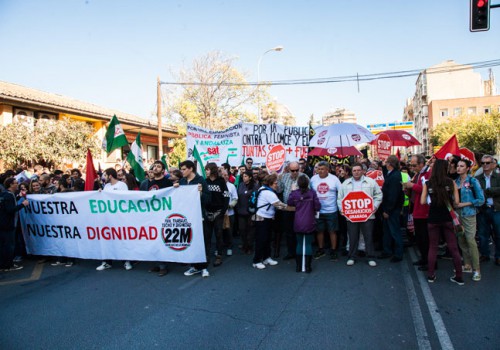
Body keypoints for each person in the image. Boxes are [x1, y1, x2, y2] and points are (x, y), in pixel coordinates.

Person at [421, 159, 464, 285]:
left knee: (433, 247)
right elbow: (456, 202)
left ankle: (431, 275)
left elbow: (423, 202)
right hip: (447, 218)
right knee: (453, 247)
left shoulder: (428, 183)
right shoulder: (451, 182)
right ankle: (459, 276)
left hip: (433, 218)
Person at [338, 163, 382, 267]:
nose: (356, 172)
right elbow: (340, 198)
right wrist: (342, 209)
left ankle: (370, 257)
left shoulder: (371, 182)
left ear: (363, 171)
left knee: (368, 237)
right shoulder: (345, 183)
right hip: (351, 216)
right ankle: (352, 256)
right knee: (352, 237)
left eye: (358, 170)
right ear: (351, 172)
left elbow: (378, 195)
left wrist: (374, 206)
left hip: (368, 215)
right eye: (354, 170)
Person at [176, 160, 211, 278]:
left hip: (199, 216)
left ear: (191, 169)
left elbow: (208, 200)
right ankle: (194, 266)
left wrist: (200, 193)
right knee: (190, 241)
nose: (182, 171)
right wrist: (174, 189)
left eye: (184, 169)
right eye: (181, 169)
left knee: (202, 242)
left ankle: (204, 267)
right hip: (187, 217)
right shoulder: (181, 181)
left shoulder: (201, 181)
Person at [95, 168, 132, 271]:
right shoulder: (106, 186)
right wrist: (100, 193)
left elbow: (125, 199)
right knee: (107, 239)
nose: (103, 177)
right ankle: (107, 262)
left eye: (105, 175)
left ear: (110, 176)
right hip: (107, 218)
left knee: (121, 239)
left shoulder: (122, 185)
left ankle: (126, 261)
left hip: (119, 218)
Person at [455, 159, 484, 281]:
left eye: (462, 166)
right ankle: (467, 265)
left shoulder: (473, 181)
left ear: (467, 168)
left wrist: (464, 204)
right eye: (457, 166)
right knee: (461, 239)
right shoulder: (455, 182)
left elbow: (481, 200)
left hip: (469, 214)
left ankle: (477, 270)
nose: (458, 168)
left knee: (470, 240)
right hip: (457, 215)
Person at [252, 174, 289, 270]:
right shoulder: (269, 193)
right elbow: (280, 206)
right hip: (262, 218)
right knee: (261, 240)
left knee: (267, 239)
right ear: (270, 183)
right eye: (276, 183)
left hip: (266, 218)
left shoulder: (263, 189)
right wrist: (296, 208)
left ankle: (266, 258)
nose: (277, 185)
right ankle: (256, 261)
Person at [145, 161, 173, 276]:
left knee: (162, 240)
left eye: (158, 166)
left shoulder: (167, 182)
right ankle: (157, 263)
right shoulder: (150, 183)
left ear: (163, 170)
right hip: (153, 215)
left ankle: (163, 266)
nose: (155, 168)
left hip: (163, 215)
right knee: (154, 240)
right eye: (154, 166)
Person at [310, 161, 342, 261]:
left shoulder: (334, 179)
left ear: (328, 169)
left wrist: (340, 207)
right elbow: (310, 192)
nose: (320, 171)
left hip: (331, 210)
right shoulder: (313, 179)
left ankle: (333, 250)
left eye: (322, 169)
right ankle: (320, 249)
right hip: (318, 210)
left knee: (332, 231)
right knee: (319, 231)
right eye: (318, 169)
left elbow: (341, 192)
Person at [287, 175, 320, 273]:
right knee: (308, 244)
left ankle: (298, 267)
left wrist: (292, 191)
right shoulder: (312, 193)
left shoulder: (295, 194)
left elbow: (289, 203)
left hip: (298, 221)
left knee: (300, 243)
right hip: (309, 221)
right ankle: (308, 267)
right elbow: (318, 206)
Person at [405, 155, 432, 271]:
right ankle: (423, 258)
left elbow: (426, 190)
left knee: (425, 238)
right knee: (420, 238)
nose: (412, 167)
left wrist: (413, 186)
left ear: (421, 164)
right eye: (411, 165)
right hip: (416, 208)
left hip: (424, 210)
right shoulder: (418, 174)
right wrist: (408, 189)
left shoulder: (428, 174)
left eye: (414, 165)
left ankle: (428, 261)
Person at [475, 154, 500, 265]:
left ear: (493, 164)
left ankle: (498, 256)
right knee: (482, 234)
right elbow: (477, 193)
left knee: (498, 234)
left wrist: (488, 191)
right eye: (483, 163)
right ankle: (485, 254)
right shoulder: (477, 178)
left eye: (487, 163)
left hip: (496, 209)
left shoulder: (498, 177)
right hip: (483, 209)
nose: (485, 165)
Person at [379, 155, 405, 263]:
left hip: (392, 209)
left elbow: (393, 196)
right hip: (389, 208)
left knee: (395, 231)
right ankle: (387, 250)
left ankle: (398, 254)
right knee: (387, 231)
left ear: (390, 163)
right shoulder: (391, 174)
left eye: (386, 161)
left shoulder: (394, 176)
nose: (384, 162)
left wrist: (387, 210)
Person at [203, 162, 229, 267]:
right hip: (207, 213)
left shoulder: (221, 182)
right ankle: (206, 256)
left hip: (218, 213)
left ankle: (219, 256)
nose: (206, 171)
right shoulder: (205, 182)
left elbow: (226, 197)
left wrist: (222, 212)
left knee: (219, 235)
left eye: (207, 169)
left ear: (212, 170)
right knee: (207, 236)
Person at [0, 178, 29, 271]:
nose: (17, 185)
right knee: (9, 245)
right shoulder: (9, 195)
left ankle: (4, 264)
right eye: (16, 183)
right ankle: (8, 265)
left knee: (4, 245)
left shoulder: (5, 194)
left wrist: (18, 197)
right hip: (8, 224)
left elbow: (9, 205)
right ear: (11, 185)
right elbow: (10, 210)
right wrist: (23, 205)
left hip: (3, 224)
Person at [277, 161, 304, 260]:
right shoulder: (284, 177)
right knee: (289, 231)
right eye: (293, 170)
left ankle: (299, 252)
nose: (295, 172)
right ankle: (290, 252)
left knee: (299, 231)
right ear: (289, 170)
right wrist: (279, 180)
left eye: (297, 170)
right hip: (288, 209)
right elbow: (279, 190)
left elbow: (309, 192)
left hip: (300, 209)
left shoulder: (304, 177)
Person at [236, 170, 258, 255]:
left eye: (245, 176)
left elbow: (256, 198)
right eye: (243, 176)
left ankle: (249, 246)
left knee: (250, 230)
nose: (244, 178)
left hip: (250, 212)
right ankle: (244, 244)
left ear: (250, 177)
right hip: (241, 211)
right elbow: (238, 196)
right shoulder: (241, 185)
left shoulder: (255, 186)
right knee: (242, 229)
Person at [221, 168, 238, 256]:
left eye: (227, 175)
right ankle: (220, 247)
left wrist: (229, 206)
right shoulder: (218, 185)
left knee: (229, 231)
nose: (225, 177)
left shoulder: (231, 186)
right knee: (220, 232)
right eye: (223, 175)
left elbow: (235, 198)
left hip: (230, 214)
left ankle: (229, 247)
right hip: (219, 214)